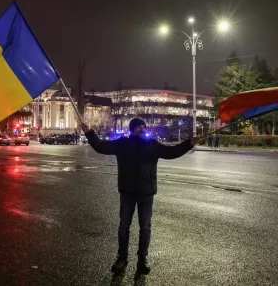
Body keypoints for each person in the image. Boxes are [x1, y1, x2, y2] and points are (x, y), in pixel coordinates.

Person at [82, 118, 200, 276]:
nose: (142, 129)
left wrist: (189, 144)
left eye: (143, 127)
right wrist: (89, 133)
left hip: (146, 193)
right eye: (138, 127)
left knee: (145, 228)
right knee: (124, 227)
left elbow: (171, 152)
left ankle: (142, 260)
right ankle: (122, 258)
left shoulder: (152, 144)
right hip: (127, 192)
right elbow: (101, 147)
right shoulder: (122, 143)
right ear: (132, 130)